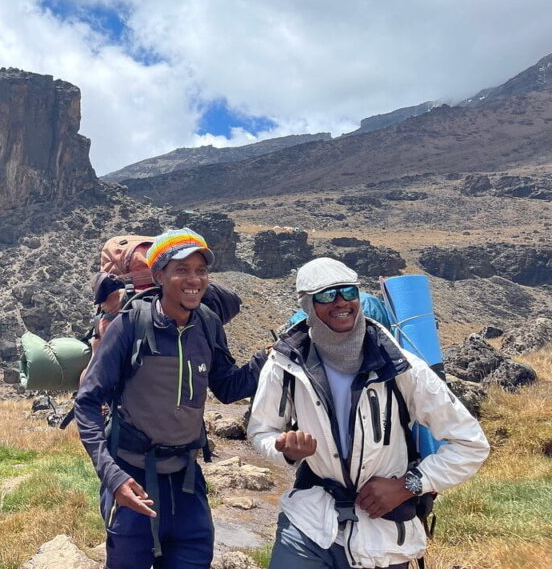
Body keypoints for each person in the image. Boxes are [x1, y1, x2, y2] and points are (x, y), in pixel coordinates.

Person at [247, 257, 490, 569]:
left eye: (348, 291)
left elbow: (471, 444)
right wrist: (286, 451)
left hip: (384, 538)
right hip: (308, 524)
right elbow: (261, 431)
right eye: (325, 295)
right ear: (307, 305)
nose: (340, 302)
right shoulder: (285, 365)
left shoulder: (403, 368)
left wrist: (408, 485)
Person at [75, 228, 267, 568]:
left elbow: (227, 388)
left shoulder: (208, 323)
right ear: (159, 275)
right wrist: (113, 477)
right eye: (182, 270)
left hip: (186, 482)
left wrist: (267, 359)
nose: (194, 279)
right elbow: (87, 402)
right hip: (131, 478)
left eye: (201, 270)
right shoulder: (130, 325)